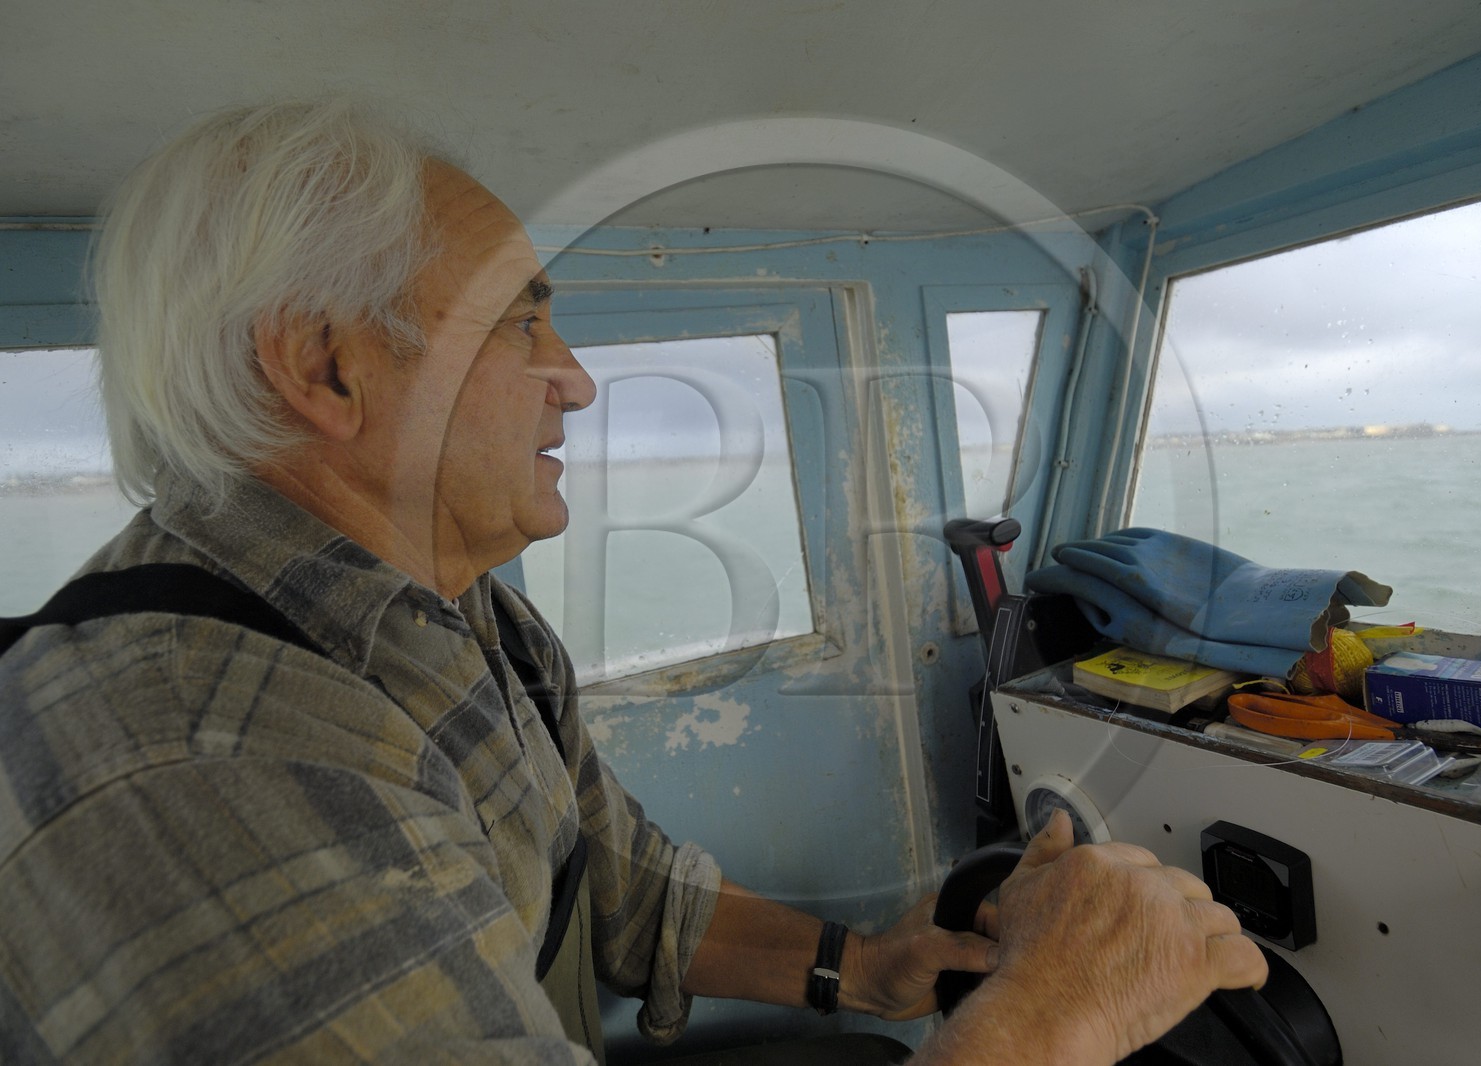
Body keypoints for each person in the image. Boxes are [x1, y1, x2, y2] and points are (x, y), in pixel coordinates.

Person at [0, 100, 1265, 1065]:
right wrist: (1054, 1018)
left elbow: (602, 869)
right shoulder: (200, 762)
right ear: (326, 369)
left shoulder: (439, 600)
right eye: (520, 321)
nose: (577, 379)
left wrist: (867, 965)